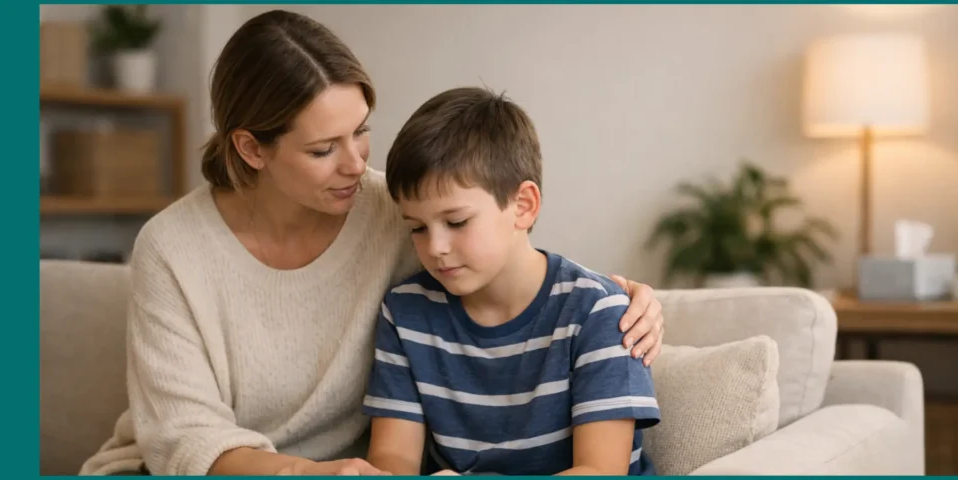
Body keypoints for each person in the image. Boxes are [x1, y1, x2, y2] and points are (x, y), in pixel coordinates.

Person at [79, 9, 667, 477]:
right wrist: (302, 473)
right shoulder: (172, 248)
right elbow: (183, 438)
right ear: (252, 149)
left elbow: (502, 243)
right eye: (322, 149)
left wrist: (626, 296)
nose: (356, 165)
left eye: (361, 132)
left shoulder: (396, 211)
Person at [361, 87, 661, 476]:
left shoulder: (599, 313)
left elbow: (600, 472)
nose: (435, 247)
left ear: (523, 206)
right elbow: (392, 461)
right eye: (417, 227)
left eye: (456, 222)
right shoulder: (405, 311)